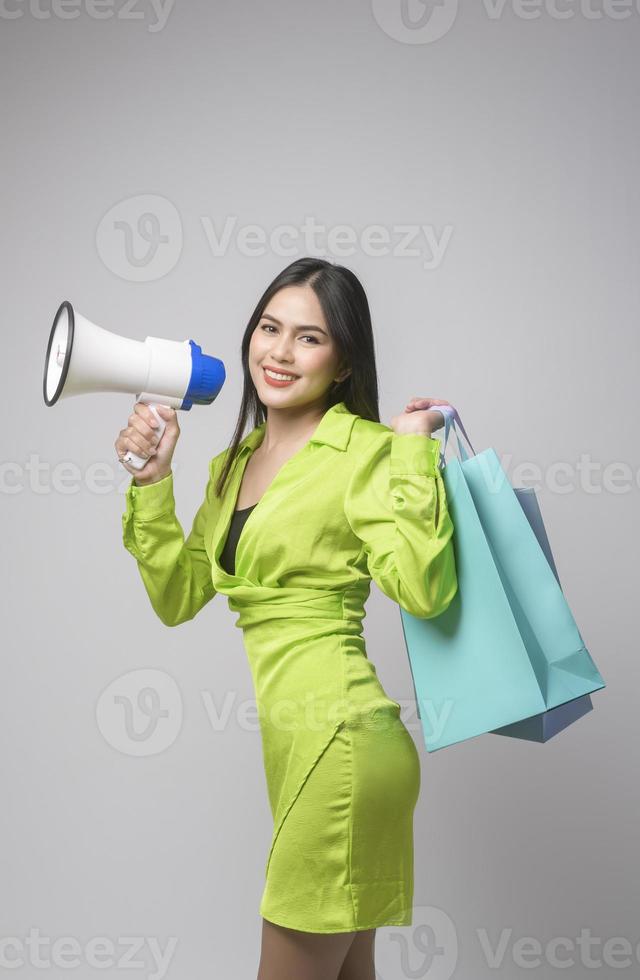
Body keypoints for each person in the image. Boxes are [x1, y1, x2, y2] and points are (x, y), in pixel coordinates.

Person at [116, 256, 458, 980]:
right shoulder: (234, 463)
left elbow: (423, 591)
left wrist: (413, 453)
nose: (279, 351)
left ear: (342, 364)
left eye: (309, 338)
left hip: (342, 743)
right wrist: (153, 484)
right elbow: (179, 597)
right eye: (270, 328)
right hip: (300, 747)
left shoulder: (366, 452)